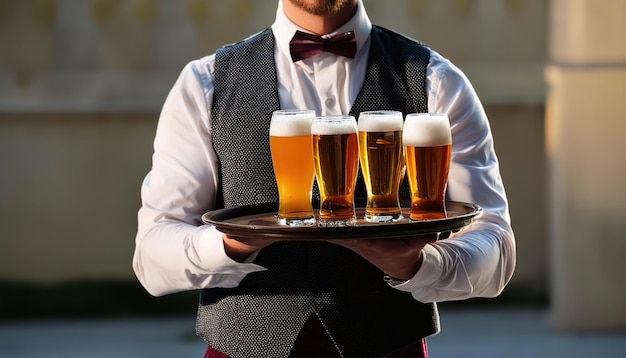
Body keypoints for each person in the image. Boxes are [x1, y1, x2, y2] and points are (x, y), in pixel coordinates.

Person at [132, 0, 516, 357]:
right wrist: (229, 244)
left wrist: (419, 264)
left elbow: (496, 250)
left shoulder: (436, 80)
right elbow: (152, 257)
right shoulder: (206, 82)